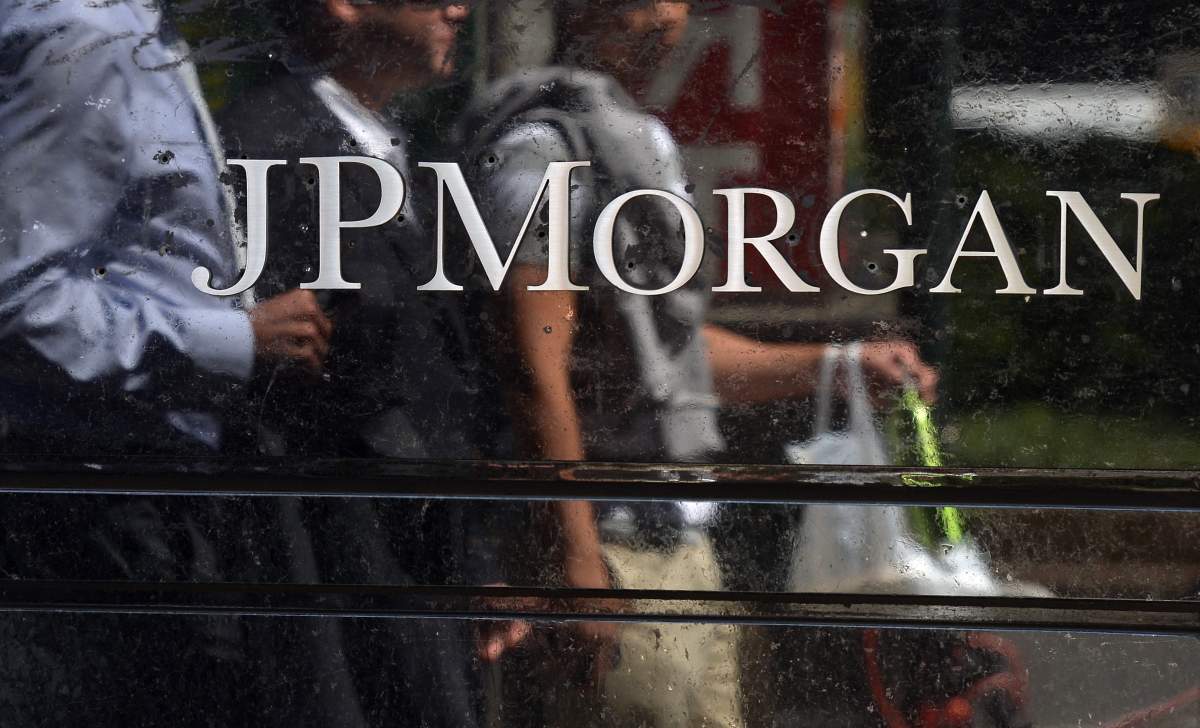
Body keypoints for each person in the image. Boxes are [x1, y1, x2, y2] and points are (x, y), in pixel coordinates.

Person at [455, 1, 938, 726]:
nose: (667, 20)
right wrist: (577, 565)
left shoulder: (635, 139)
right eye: (643, 2)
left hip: (679, 545)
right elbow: (534, 364)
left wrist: (839, 365)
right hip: (614, 552)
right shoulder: (541, 151)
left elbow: (667, 359)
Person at [0, 1, 331, 724]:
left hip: (143, 507)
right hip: (103, 515)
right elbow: (18, 304)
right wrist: (234, 342)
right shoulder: (87, 37)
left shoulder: (138, 34)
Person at [214, 1, 503, 726]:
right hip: (345, 560)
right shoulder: (269, 144)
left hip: (410, 555)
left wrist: (472, 556)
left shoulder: (392, 142)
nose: (460, 8)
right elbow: (305, 382)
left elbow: (434, 374)